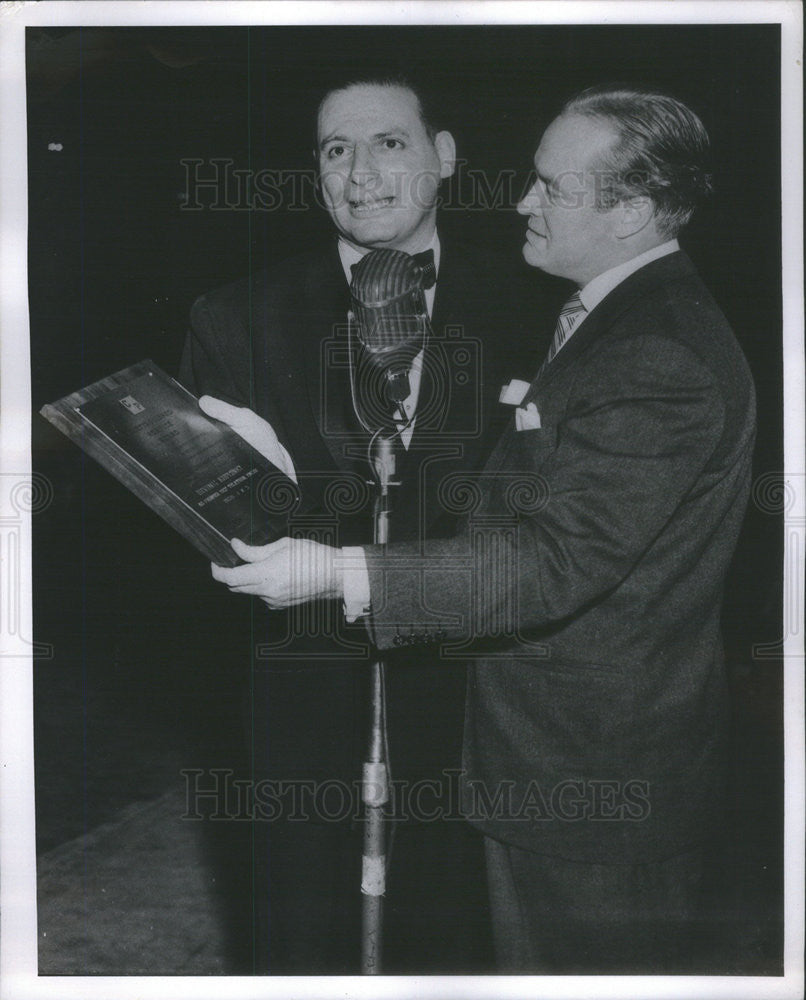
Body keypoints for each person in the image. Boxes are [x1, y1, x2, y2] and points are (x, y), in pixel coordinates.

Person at [210, 85, 757, 973]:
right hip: (533, 760)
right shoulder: (611, 318)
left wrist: (337, 572)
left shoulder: (654, 352)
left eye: (552, 189)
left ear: (636, 213)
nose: (522, 203)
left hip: (583, 774)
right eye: (332, 152)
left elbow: (552, 562)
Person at [180, 76, 544, 972]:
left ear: (443, 158)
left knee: (459, 934)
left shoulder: (538, 305)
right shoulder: (236, 316)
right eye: (335, 150)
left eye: (388, 143)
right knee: (302, 936)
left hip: (478, 691)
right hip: (306, 688)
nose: (360, 173)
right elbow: (203, 528)